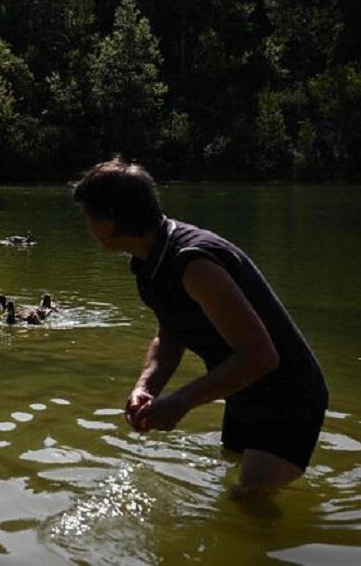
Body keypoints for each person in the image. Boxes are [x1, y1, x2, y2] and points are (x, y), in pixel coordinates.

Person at [72, 157, 328, 495]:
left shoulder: (192, 263)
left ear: (111, 218)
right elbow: (169, 336)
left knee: (248, 504)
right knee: (230, 483)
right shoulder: (150, 261)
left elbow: (261, 356)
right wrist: (145, 387)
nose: (87, 226)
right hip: (242, 389)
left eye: (88, 216)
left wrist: (179, 403)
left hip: (286, 394)